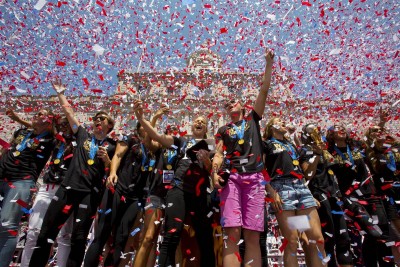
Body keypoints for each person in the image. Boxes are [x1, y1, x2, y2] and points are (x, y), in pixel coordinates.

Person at [29, 79, 116, 267]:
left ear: (110, 125)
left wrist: (107, 162)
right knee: (46, 232)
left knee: (79, 238)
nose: (98, 120)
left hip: (90, 193)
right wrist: (61, 93)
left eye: (103, 119)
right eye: (96, 118)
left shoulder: (114, 146)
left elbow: (113, 172)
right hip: (68, 188)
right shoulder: (83, 134)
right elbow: (69, 113)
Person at [133, 99, 215, 267]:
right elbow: (157, 137)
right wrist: (142, 119)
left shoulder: (212, 145)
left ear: (206, 128)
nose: (199, 123)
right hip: (178, 189)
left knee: (204, 238)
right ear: (191, 126)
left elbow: (212, 171)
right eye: (196, 121)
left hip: (200, 194)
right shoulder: (182, 142)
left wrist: (206, 161)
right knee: (172, 234)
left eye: (203, 122)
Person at [211, 48, 273, 267]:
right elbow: (218, 153)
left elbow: (263, 91)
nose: (230, 104)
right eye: (226, 104)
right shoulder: (223, 129)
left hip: (255, 180)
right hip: (233, 179)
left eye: (233, 101)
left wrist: (268, 64)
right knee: (232, 234)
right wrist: (214, 173)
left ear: (243, 105)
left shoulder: (252, 120)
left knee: (253, 236)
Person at [6, 112, 76, 267]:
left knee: (64, 235)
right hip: (46, 188)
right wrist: (19, 120)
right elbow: (38, 128)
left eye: (67, 124)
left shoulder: (81, 140)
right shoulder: (53, 140)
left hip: (67, 190)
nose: (63, 127)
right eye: (60, 125)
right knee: (33, 232)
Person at [263, 117, 327, 267]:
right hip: (282, 190)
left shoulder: (291, 144)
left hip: (301, 188)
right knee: (292, 241)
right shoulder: (266, 144)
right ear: (271, 126)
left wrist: (317, 154)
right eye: (280, 121)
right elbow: (260, 169)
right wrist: (271, 191)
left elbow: (306, 172)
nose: (285, 122)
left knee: (317, 239)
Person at [84, 122, 148, 267]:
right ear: (138, 128)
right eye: (144, 124)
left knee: (122, 238)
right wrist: (112, 173)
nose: (148, 127)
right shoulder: (130, 139)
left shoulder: (153, 148)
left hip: (135, 198)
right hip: (118, 189)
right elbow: (118, 156)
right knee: (102, 234)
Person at [326, 124, 389, 267]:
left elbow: (374, 143)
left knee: (382, 233)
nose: (341, 129)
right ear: (330, 134)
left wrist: (381, 123)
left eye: (342, 127)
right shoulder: (328, 152)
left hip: (371, 194)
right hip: (350, 197)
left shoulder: (356, 145)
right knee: (373, 232)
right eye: (336, 128)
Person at [0, 108, 55, 267]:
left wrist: (19, 118)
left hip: (21, 182)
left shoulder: (50, 139)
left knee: (7, 224)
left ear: (49, 123)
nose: (36, 115)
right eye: (36, 113)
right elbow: (6, 149)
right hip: (2, 176)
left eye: (42, 115)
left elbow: (55, 130)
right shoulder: (21, 132)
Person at [299, 123, 353, 267]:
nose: (315, 131)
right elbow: (307, 174)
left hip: (334, 194)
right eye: (311, 130)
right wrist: (316, 154)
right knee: (327, 237)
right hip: (318, 194)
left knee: (343, 237)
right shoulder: (306, 150)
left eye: (317, 129)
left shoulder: (327, 149)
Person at [133, 105, 174, 267]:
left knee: (164, 239)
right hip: (157, 194)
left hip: (173, 197)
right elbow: (148, 140)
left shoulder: (182, 148)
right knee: (148, 237)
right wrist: (155, 117)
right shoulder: (159, 147)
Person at [365, 125, 400, 266]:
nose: (379, 133)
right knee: (395, 235)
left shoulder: (394, 149)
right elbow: (377, 168)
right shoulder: (369, 151)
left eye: (381, 130)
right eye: (374, 131)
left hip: (398, 191)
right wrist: (378, 147)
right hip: (386, 197)